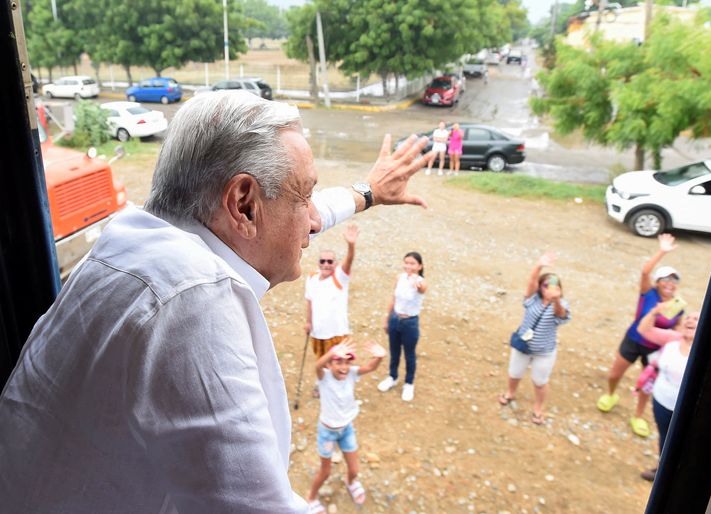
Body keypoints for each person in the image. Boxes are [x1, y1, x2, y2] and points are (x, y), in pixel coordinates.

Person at [0, 91, 430, 513]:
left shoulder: (132, 242)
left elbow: (294, 210)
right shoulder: (191, 304)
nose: (315, 220)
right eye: (304, 197)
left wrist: (367, 192)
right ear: (243, 204)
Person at [596, 233, 684, 438]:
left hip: (655, 350)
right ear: (658, 282)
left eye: (674, 280)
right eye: (666, 279)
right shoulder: (649, 294)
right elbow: (645, 271)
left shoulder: (678, 305)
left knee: (647, 385)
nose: (670, 283)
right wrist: (662, 250)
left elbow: (677, 328)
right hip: (634, 340)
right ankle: (610, 395)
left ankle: (638, 416)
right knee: (614, 374)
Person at [307, 339, 385, 513]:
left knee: (354, 469)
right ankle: (311, 497)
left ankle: (351, 482)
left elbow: (371, 367)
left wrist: (380, 357)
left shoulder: (351, 374)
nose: (343, 366)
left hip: (346, 430)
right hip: (327, 433)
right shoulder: (324, 377)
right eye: (338, 361)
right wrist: (331, 353)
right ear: (329, 364)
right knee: (325, 472)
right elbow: (317, 366)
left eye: (347, 362)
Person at [497, 253, 571, 424]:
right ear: (540, 287)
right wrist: (539, 266)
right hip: (523, 346)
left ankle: (538, 408)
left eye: (554, 286)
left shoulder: (562, 305)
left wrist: (556, 301)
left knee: (540, 381)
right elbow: (531, 282)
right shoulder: (532, 299)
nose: (549, 289)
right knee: (514, 373)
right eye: (545, 285)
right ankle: (510, 393)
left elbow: (561, 316)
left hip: (544, 351)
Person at [634, 304, 700, 481]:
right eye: (688, 317)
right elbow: (643, 329)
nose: (690, 320)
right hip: (661, 401)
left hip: (688, 409)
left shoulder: (706, 349)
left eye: (696, 318)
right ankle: (662, 469)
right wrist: (655, 311)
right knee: (665, 436)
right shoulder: (673, 338)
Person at [305, 224, 359, 397]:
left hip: (336, 332)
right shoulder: (312, 278)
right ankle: (321, 383)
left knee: (339, 361)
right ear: (319, 263)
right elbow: (309, 301)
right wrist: (308, 322)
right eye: (323, 261)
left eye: (330, 261)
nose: (326, 264)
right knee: (321, 358)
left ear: (335, 264)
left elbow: (349, 262)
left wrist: (351, 245)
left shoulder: (339, 277)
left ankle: (338, 387)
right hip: (317, 331)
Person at [377, 252, 428, 401]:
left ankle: (409, 383)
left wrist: (416, 284)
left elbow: (422, 288)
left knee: (409, 354)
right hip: (395, 318)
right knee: (394, 351)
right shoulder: (399, 278)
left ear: (420, 266)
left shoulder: (420, 281)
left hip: (410, 323)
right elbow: (394, 298)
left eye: (412, 263)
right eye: (406, 262)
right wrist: (387, 319)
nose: (408, 266)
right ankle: (392, 377)